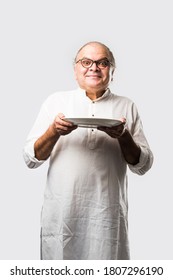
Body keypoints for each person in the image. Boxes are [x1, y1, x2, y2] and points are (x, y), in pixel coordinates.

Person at [23, 41, 153, 260]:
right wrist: (54, 131)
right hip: (63, 217)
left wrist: (123, 136)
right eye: (86, 62)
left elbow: (143, 165)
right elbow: (30, 158)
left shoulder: (126, 106)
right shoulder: (56, 101)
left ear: (112, 70)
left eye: (102, 62)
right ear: (75, 70)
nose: (94, 67)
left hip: (107, 218)